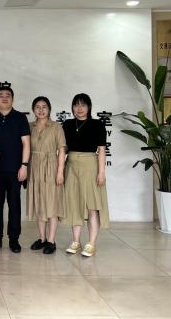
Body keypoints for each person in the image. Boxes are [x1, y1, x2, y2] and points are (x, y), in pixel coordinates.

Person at [62, 93, 109, 257]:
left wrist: (101, 173)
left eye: (83, 105)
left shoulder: (97, 124)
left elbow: (101, 150)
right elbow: (63, 148)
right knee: (74, 203)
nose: (79, 108)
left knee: (91, 206)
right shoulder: (67, 124)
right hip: (71, 166)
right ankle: (75, 241)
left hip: (90, 167)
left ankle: (91, 243)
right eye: (76, 105)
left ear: (89, 107)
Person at [0, 86, 30, 253]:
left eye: (8, 95)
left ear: (13, 99)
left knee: (14, 205)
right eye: (1, 95)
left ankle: (14, 239)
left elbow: (26, 143)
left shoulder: (20, 118)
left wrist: (24, 166)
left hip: (15, 170)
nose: (4, 98)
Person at [27, 96, 66, 255]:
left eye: (44, 106)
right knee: (39, 203)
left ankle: (51, 240)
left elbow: (62, 150)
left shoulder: (56, 127)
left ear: (49, 109)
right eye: (38, 107)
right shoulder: (30, 126)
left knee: (52, 203)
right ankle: (42, 238)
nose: (41, 110)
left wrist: (60, 172)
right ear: (33, 109)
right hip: (34, 167)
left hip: (51, 167)